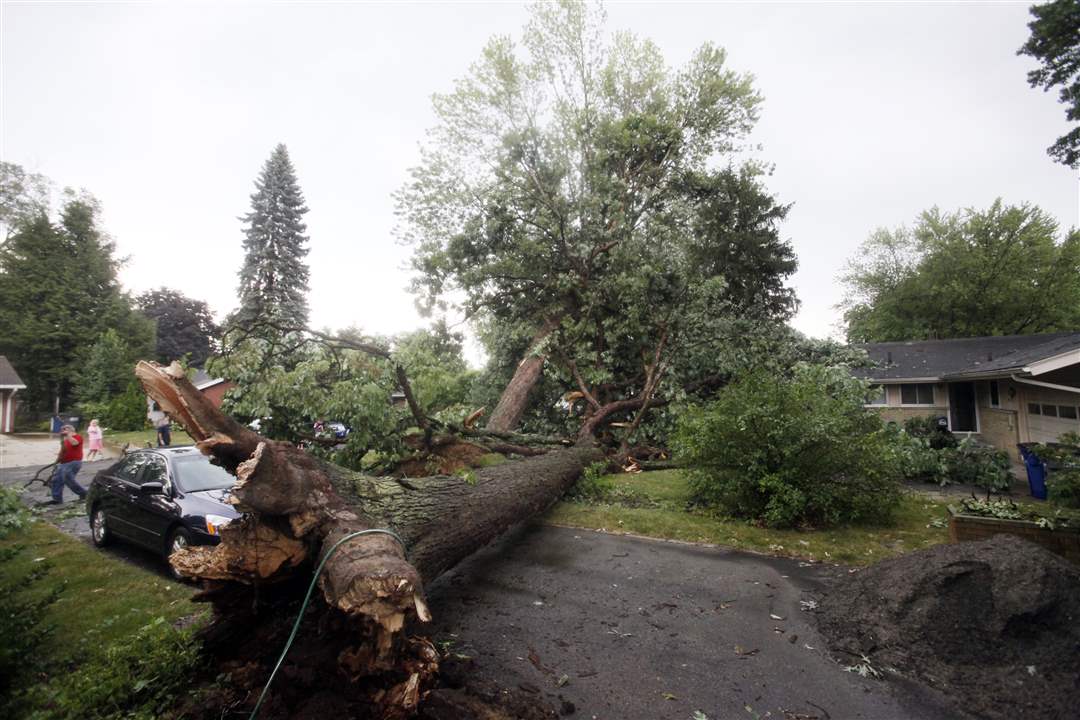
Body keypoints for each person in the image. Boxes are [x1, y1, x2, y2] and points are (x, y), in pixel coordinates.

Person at [48, 424, 87, 505]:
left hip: (74, 462)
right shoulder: (65, 441)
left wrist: (68, 434)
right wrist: (56, 462)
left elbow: (74, 443)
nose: (63, 432)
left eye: (64, 430)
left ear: (70, 430)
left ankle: (84, 494)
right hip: (63, 463)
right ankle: (57, 499)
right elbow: (62, 452)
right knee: (56, 480)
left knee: (68, 479)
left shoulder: (78, 437)